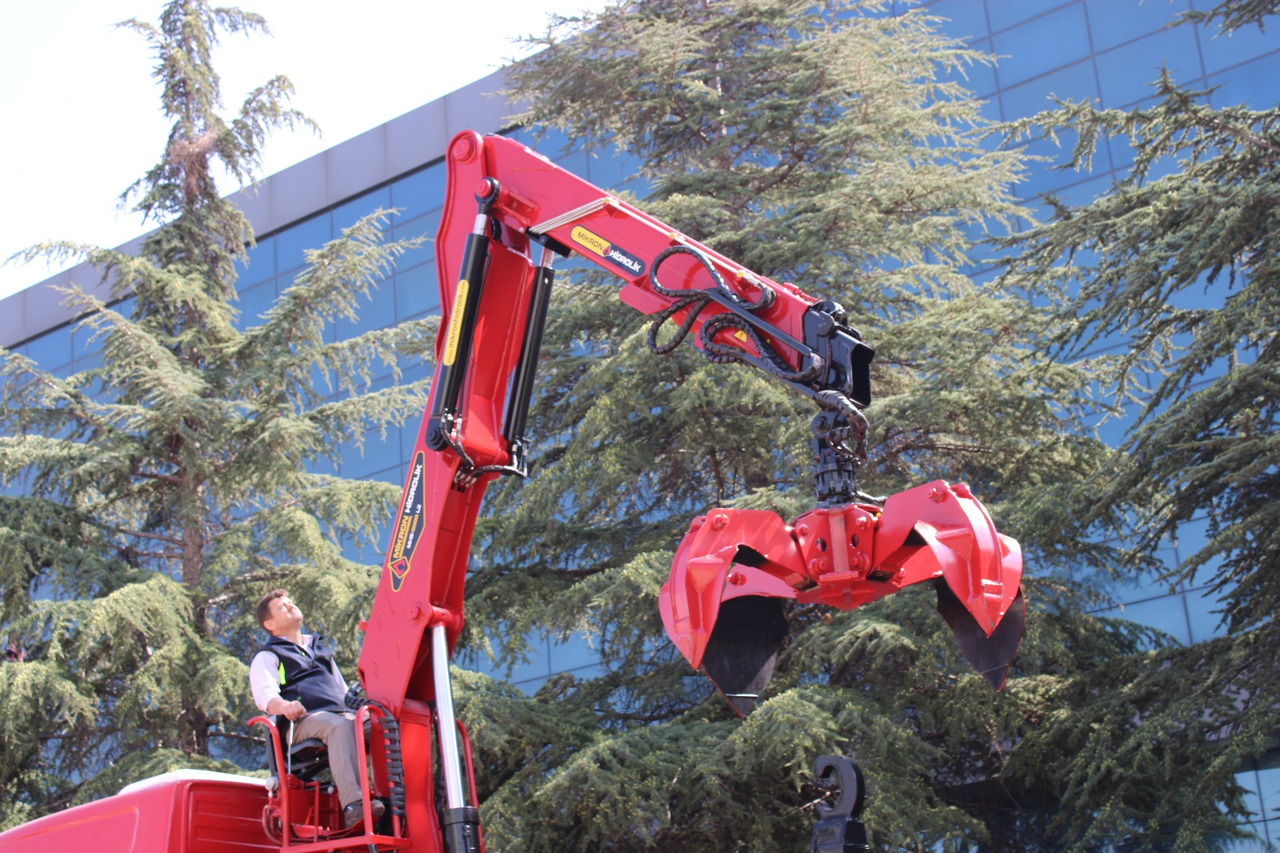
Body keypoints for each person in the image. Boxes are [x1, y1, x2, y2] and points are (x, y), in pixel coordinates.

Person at [249, 589, 384, 829]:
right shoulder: (269, 655)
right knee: (338, 727)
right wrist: (286, 706)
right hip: (300, 722)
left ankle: (391, 798)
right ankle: (354, 805)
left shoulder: (320, 650)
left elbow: (343, 693)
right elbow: (265, 697)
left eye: (291, 602)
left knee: (383, 725)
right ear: (269, 624)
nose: (291, 607)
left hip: (339, 714)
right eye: (283, 607)